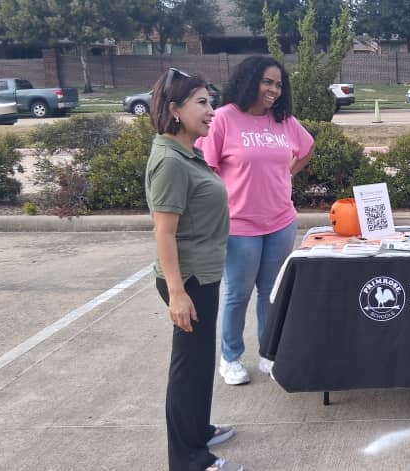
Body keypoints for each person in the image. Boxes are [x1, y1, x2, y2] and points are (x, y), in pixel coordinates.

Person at [145, 67, 242, 471]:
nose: (211, 110)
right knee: (188, 368)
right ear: (174, 109)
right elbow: (164, 234)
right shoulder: (169, 161)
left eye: (211, 101)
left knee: (201, 361)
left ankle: (197, 430)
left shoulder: (188, 153)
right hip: (188, 279)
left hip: (203, 273)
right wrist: (178, 293)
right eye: (201, 102)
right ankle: (188, 460)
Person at [198, 55, 315, 386]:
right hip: (239, 225)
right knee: (238, 292)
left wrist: (286, 174)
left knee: (271, 292)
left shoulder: (284, 121)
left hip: (280, 220)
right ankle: (230, 357)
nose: (274, 90)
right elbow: (207, 166)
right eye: (267, 82)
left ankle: (269, 353)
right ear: (249, 80)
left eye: (279, 84)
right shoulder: (223, 119)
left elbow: (307, 148)